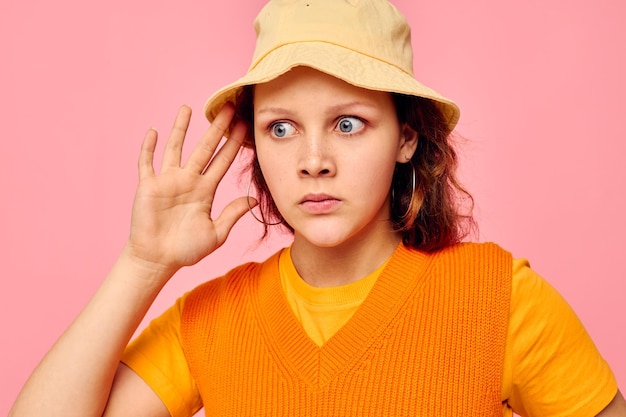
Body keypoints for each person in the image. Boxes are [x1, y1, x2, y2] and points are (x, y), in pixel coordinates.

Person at [9, 0, 626, 416]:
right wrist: (143, 263)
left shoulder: (501, 298)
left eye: (349, 123)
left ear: (406, 136)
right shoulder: (211, 321)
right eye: (280, 129)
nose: (313, 160)